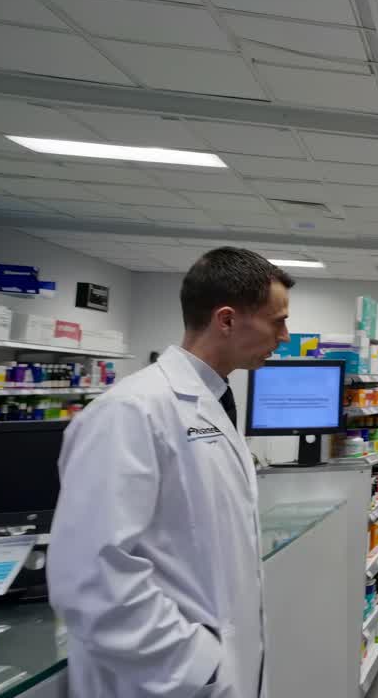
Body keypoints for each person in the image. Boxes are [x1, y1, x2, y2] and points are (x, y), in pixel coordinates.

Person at [48, 247, 294, 698]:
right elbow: (89, 577)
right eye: (277, 321)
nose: (284, 335)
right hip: (162, 679)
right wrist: (198, 665)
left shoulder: (210, 404)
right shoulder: (131, 411)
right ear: (226, 320)